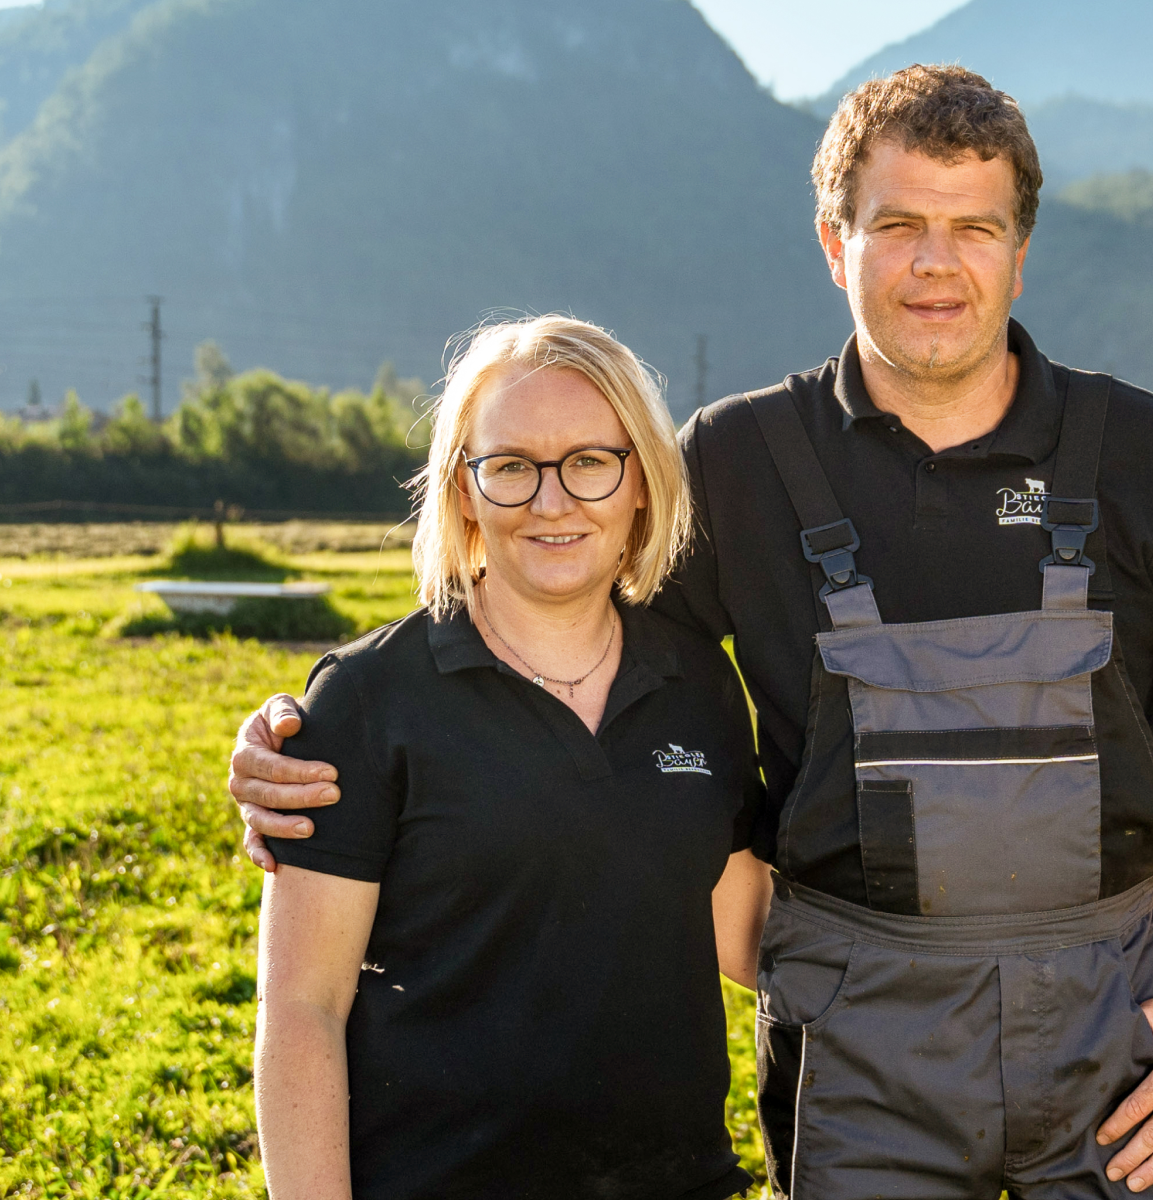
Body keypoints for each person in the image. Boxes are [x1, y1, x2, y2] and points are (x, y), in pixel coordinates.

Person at [236, 67, 1153, 1198]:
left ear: (1019, 251)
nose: (935, 263)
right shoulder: (736, 465)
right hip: (859, 1042)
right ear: (835, 246)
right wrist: (314, 732)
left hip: (1113, 1034)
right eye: (896, 226)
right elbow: (565, 624)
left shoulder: (1142, 453)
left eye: (972, 228)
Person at [251, 316, 772, 1200]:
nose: (552, 500)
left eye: (589, 462)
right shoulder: (370, 702)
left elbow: (747, 931)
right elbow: (303, 1011)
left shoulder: (696, 682)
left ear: (641, 480)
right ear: (463, 492)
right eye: (511, 466)